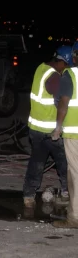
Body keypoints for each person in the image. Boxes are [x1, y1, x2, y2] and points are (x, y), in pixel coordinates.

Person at [22, 45, 72, 208]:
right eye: (67, 65)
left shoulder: (41, 68)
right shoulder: (55, 78)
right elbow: (62, 104)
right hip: (51, 132)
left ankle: (29, 195)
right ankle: (67, 192)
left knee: (36, 163)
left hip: (36, 129)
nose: (67, 68)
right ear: (62, 62)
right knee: (64, 163)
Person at [52, 42, 78, 228]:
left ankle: (74, 218)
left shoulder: (71, 76)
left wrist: (58, 127)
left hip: (74, 134)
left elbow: (64, 103)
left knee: (75, 175)